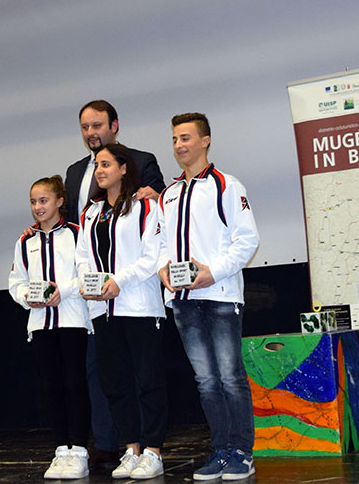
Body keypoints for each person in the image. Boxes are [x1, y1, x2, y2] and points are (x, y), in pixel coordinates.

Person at [157, 113, 260, 481]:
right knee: (205, 380)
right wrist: (164, 270)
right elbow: (160, 244)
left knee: (231, 377)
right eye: (174, 139)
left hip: (220, 296)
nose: (179, 145)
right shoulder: (168, 194)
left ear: (205, 140)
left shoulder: (227, 186)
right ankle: (220, 450)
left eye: (186, 137)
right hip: (183, 302)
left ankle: (242, 452)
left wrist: (211, 272)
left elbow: (247, 240)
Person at [64, 99, 165, 465]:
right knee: (113, 381)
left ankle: (152, 450)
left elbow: (152, 253)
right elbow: (80, 251)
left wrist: (119, 280)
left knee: (147, 379)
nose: (99, 171)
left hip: (137, 303)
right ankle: (128, 447)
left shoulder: (143, 203)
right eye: (85, 127)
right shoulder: (90, 210)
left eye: (106, 165)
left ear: (124, 168)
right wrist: (87, 282)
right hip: (100, 308)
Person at [8, 176, 91, 479]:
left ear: (59, 201)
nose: (38, 207)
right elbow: (16, 282)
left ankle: (79, 450)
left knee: (75, 385)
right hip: (41, 325)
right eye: (33, 201)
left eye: (43, 200)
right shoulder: (25, 241)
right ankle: (61, 450)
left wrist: (63, 291)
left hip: (72, 321)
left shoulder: (77, 234)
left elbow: (87, 273)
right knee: (51, 387)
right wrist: (27, 297)